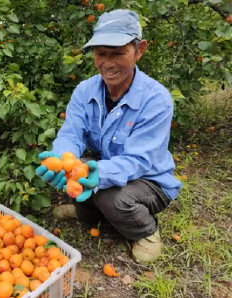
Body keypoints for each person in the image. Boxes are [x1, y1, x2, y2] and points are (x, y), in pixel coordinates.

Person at [35, 9, 182, 264]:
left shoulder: (156, 99)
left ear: (140, 50)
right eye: (101, 54)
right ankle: (88, 213)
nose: (108, 62)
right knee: (76, 177)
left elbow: (138, 160)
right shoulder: (85, 90)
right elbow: (72, 132)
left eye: (118, 53)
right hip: (110, 168)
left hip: (150, 179)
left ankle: (145, 230)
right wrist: (62, 159)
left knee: (108, 193)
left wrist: (97, 173)